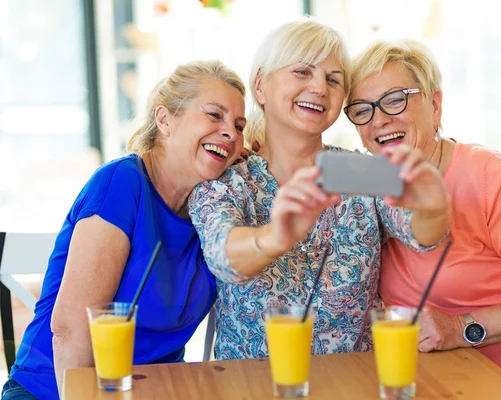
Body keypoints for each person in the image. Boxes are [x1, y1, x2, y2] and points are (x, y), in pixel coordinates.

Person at [345, 39, 501, 400]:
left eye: (395, 99)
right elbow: (294, 167)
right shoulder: (363, 182)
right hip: (462, 380)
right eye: (362, 109)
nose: (380, 119)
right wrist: (248, 147)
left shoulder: (484, 173)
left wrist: (461, 327)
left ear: (435, 105)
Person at [188, 20, 451, 361]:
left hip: (355, 383)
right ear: (260, 86)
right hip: (250, 386)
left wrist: (434, 208)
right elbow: (225, 258)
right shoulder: (227, 180)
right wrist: (275, 237)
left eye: (333, 79)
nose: (319, 88)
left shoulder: (359, 171)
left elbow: (422, 234)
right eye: (302, 71)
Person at [2, 60, 247, 400]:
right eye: (214, 115)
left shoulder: (213, 210)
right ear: (165, 120)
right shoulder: (123, 184)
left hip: (155, 391)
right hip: (58, 390)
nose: (231, 133)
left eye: (239, 125)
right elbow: (69, 330)